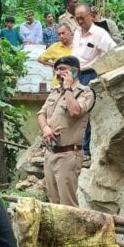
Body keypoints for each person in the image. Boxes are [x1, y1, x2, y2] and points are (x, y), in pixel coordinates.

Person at [37, 56, 95, 207]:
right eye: (57, 69)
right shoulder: (55, 91)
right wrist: (46, 128)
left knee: (68, 206)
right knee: (53, 203)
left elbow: (75, 111)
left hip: (69, 155)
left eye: (63, 69)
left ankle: (74, 231)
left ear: (75, 71)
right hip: (50, 153)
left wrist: (69, 88)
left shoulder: (85, 92)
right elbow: (41, 114)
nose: (59, 72)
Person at [72, 3, 116, 160]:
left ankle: (86, 151)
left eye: (82, 18)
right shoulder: (77, 33)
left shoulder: (99, 34)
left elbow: (113, 50)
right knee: (75, 112)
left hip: (90, 75)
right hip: (76, 75)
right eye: (77, 19)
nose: (80, 21)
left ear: (91, 16)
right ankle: (78, 148)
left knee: (87, 113)